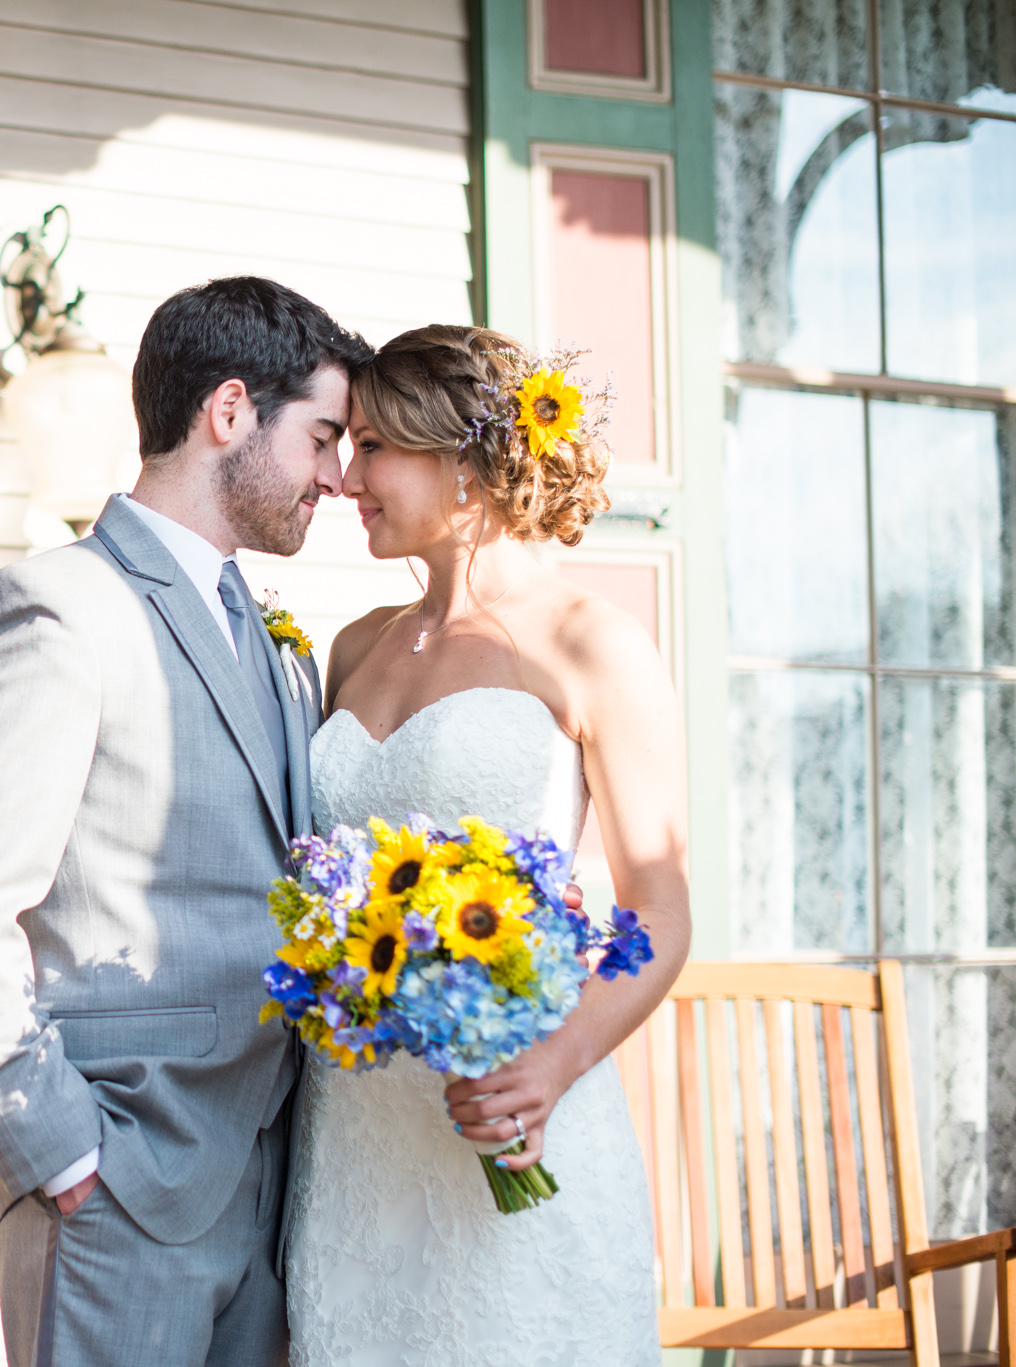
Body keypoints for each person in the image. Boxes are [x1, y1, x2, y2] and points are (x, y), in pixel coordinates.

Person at [0, 276, 370, 1366]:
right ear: (231, 411)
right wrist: (57, 1153)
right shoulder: (59, 608)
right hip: (115, 1183)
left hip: (271, 1188)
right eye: (323, 437)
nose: (337, 478)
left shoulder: (273, 634)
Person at [285, 324, 691, 1366]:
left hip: (514, 1105)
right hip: (355, 1136)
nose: (343, 477)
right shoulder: (354, 644)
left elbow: (657, 903)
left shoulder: (588, 642)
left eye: (371, 446)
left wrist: (552, 1063)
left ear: (457, 457)